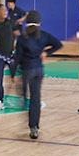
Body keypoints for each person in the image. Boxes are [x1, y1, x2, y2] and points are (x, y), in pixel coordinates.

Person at [13, 11, 64, 140]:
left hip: (27, 70)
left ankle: (23, 100)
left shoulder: (22, 38)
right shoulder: (43, 36)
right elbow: (58, 44)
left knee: (24, 91)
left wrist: (13, 73)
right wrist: (46, 52)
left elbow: (17, 58)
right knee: (36, 98)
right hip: (38, 70)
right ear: (39, 23)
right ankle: (34, 127)